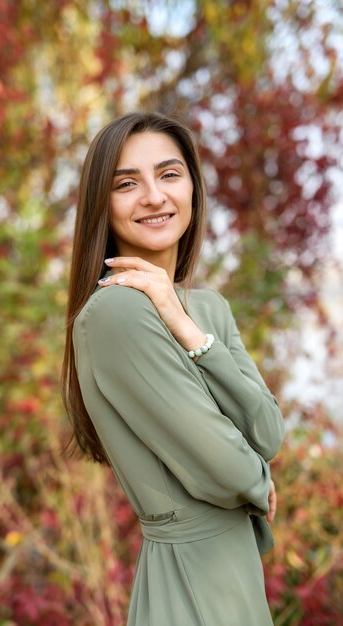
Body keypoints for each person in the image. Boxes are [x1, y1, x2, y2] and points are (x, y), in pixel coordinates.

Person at [62, 111, 285, 626]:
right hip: (191, 582)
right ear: (102, 202)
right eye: (126, 183)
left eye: (169, 174)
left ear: (192, 188)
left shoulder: (208, 308)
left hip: (235, 575)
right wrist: (257, 478)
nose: (154, 197)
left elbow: (268, 432)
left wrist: (187, 330)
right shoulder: (115, 312)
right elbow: (227, 469)